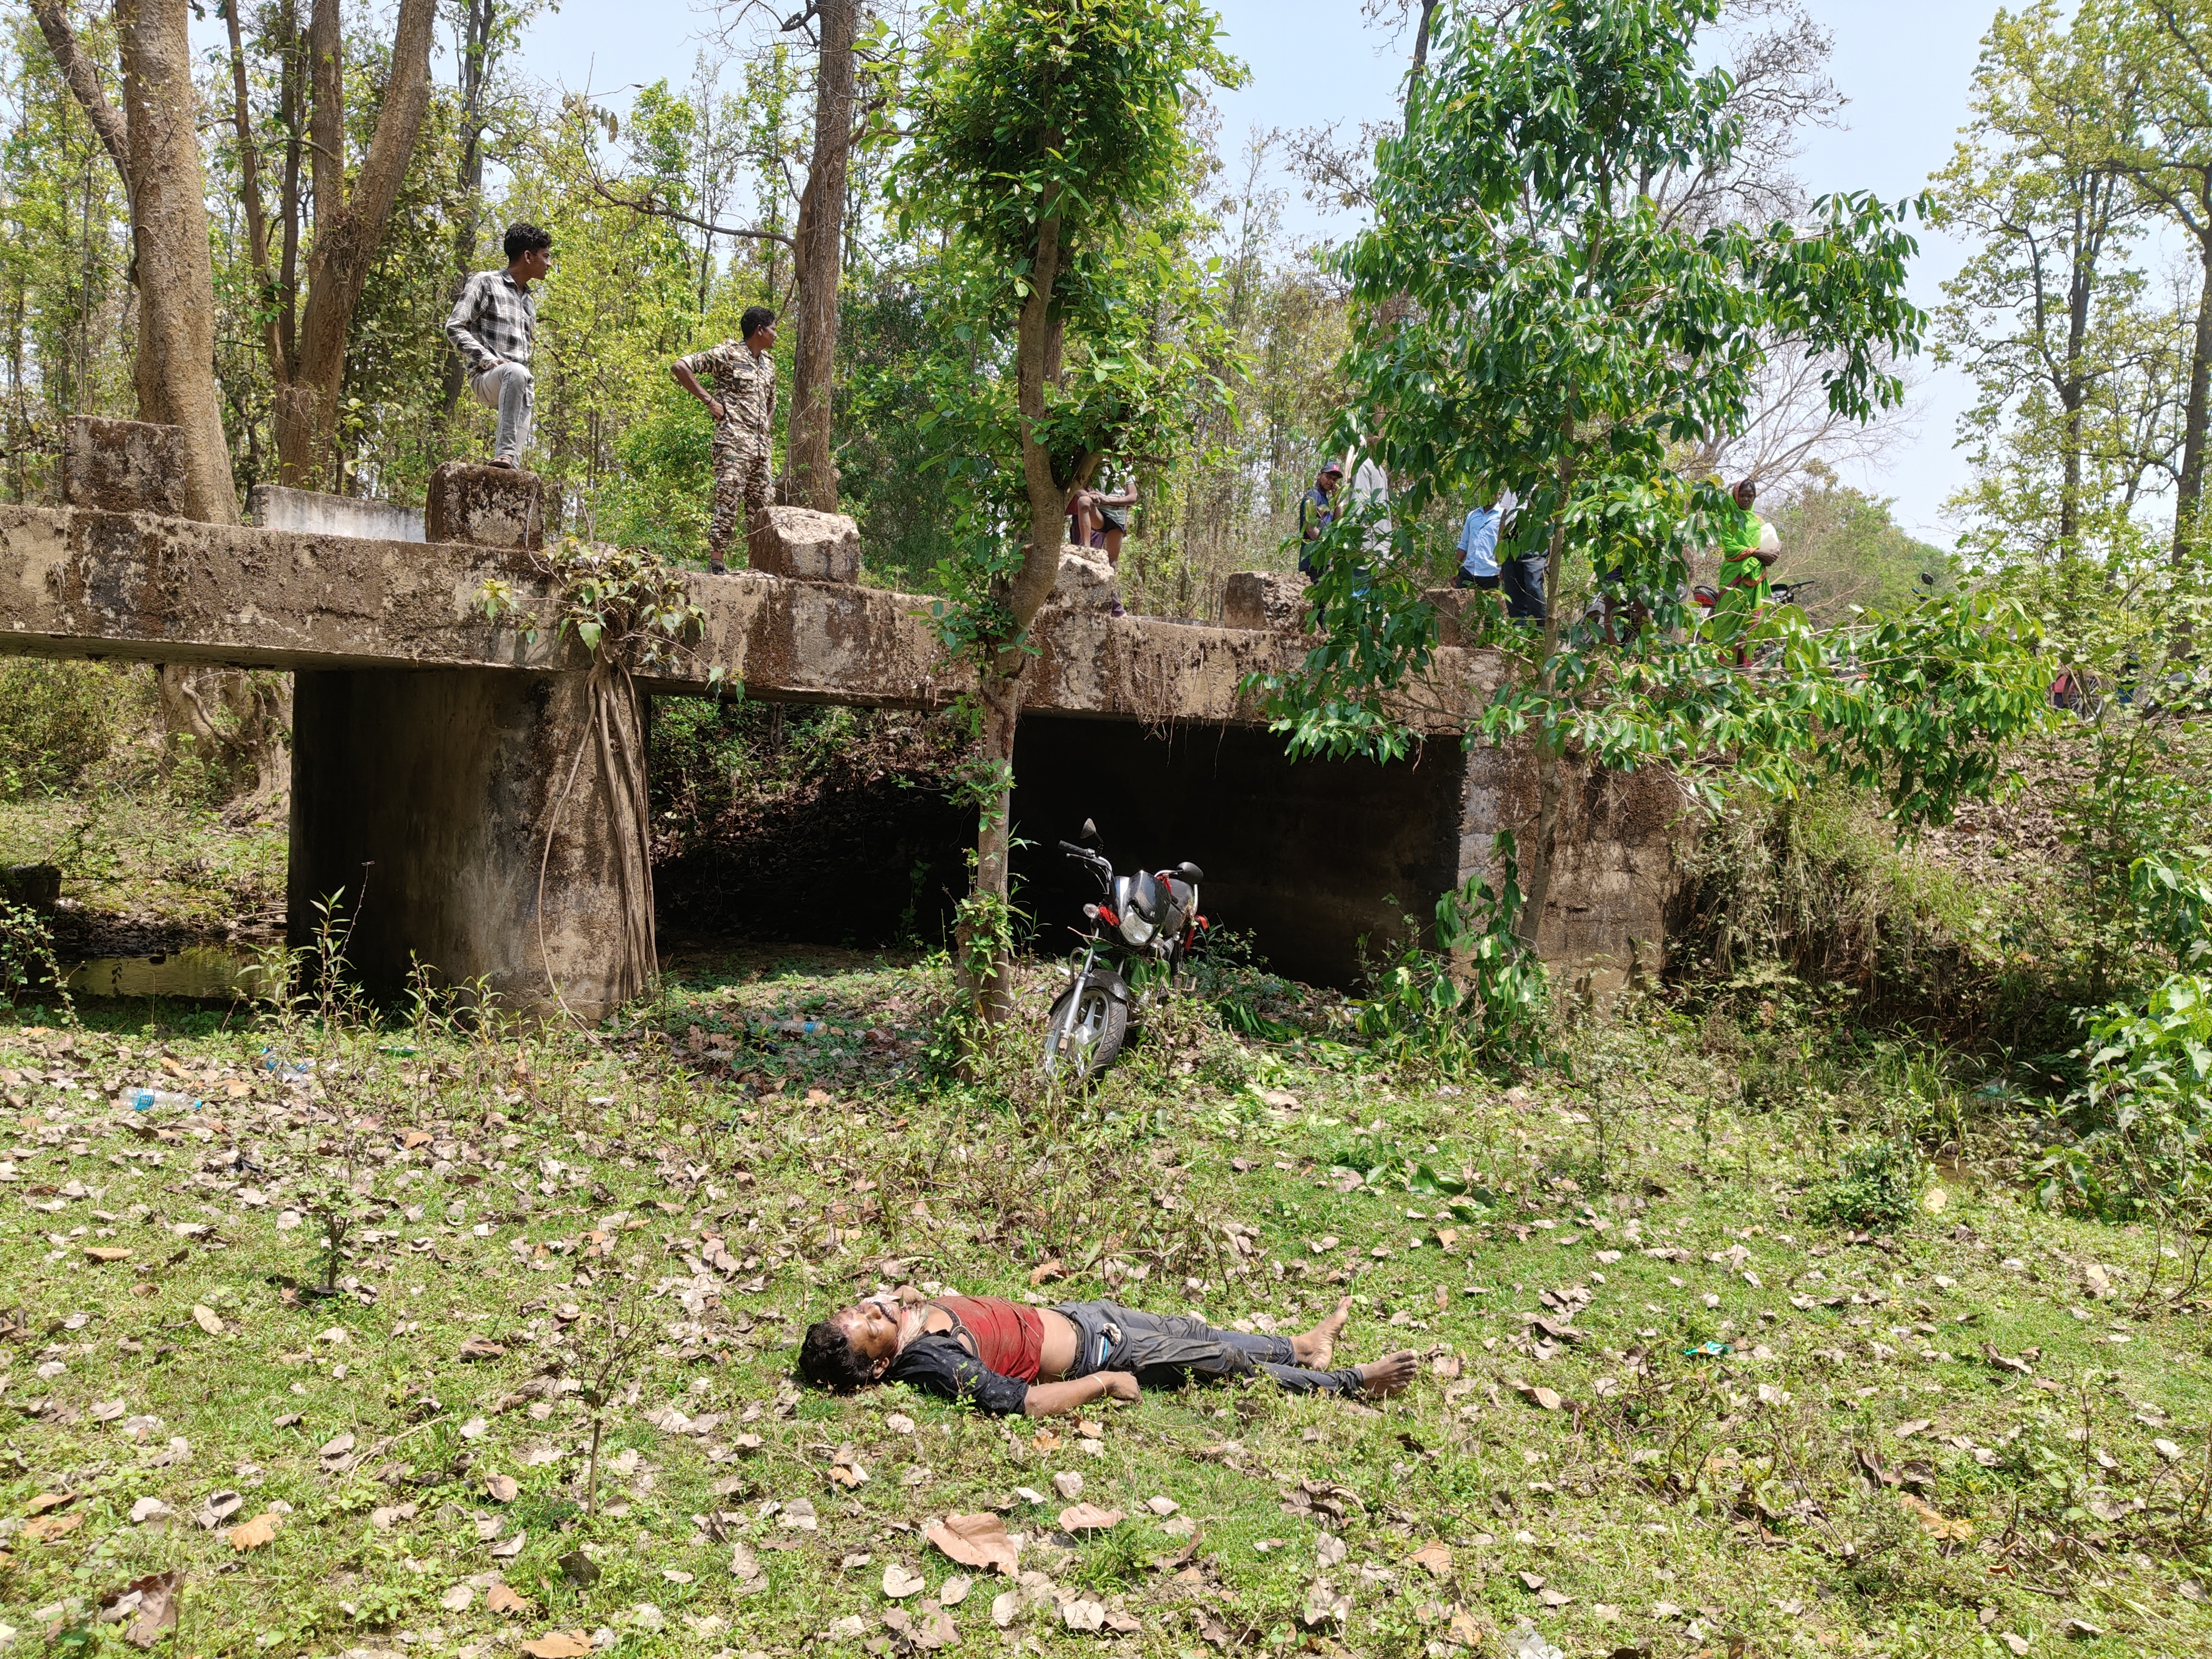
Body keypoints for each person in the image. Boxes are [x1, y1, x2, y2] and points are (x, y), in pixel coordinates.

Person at [799, 1290, 1419, 1418]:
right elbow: (1021, 1401)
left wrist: (905, 1310)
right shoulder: (930, 1361)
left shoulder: (905, 1323)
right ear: (879, 1366)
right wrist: (1103, 1384)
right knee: (1222, 1364)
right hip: (1101, 1351)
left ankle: (1303, 1347)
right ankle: (1353, 1382)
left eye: (860, 1309)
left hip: (1083, 1316)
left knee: (1198, 1332)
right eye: (868, 1326)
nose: (873, 1309)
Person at [672, 306, 779, 574]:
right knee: (728, 499)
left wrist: (765, 429)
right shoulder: (728, 354)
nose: (776, 335)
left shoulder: (769, 364)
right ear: (760, 330)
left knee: (762, 508)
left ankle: (759, 566)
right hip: (732, 444)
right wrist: (710, 401)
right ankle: (717, 562)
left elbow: (772, 403)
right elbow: (681, 366)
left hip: (761, 450)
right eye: (773, 329)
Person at [445, 223, 553, 470]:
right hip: (487, 377)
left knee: (511, 469)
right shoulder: (485, 282)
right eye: (545, 256)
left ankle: (506, 461)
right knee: (515, 371)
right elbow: (454, 326)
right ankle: (504, 452)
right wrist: (488, 359)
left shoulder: (529, 301)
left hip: (521, 387)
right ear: (528, 256)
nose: (549, 264)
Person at [1454, 494, 1513, 590]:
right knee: (1459, 599)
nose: (1488, 493)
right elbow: (1464, 545)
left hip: (1492, 574)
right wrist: (1454, 570)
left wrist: (1504, 569)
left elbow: (1506, 547)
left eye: (1492, 491)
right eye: (1485, 489)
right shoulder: (1472, 515)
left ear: (1499, 494)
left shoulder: (1504, 516)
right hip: (1468, 572)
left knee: (1490, 600)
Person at [1297, 460, 1343, 577]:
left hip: (1324, 559)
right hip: (1315, 558)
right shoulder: (1313, 495)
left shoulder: (1323, 498)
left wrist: (1337, 500)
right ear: (1319, 475)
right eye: (1328, 477)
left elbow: (1336, 523)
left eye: (1334, 480)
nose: (1331, 482)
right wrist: (1326, 546)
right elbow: (1309, 527)